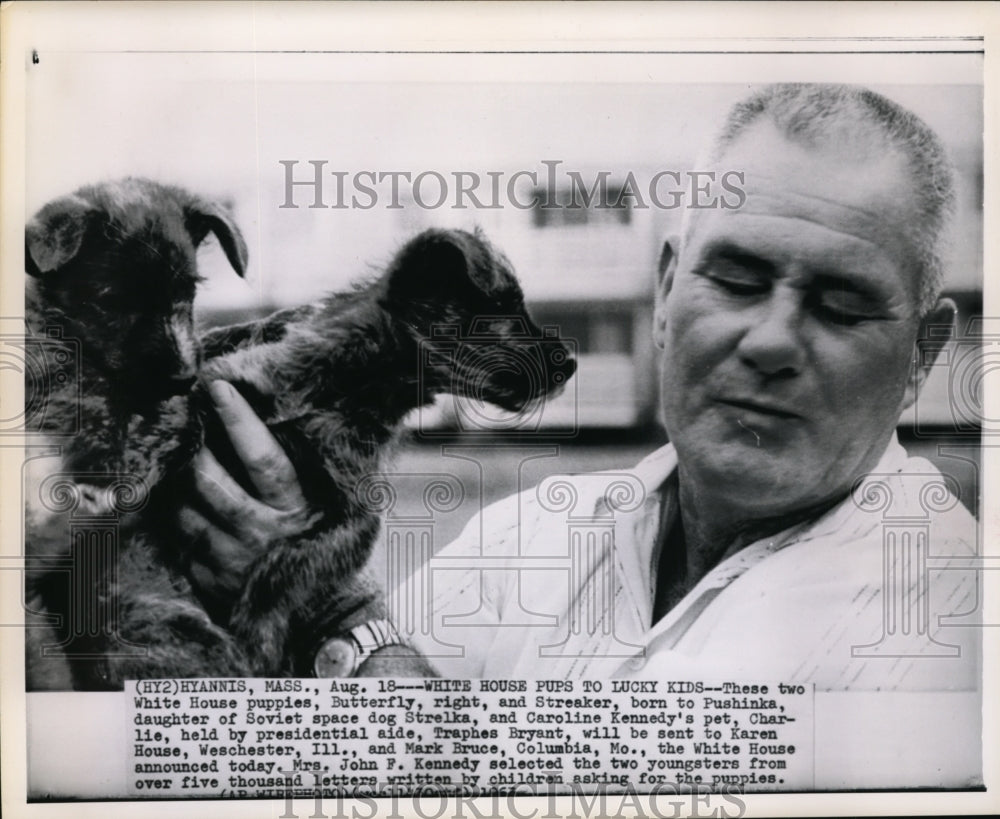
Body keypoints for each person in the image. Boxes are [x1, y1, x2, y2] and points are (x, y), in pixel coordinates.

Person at [185, 83, 980, 693]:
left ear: (923, 349)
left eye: (841, 306)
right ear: (666, 293)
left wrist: (339, 616)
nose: (771, 340)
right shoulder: (529, 535)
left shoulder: (951, 618)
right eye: (735, 280)